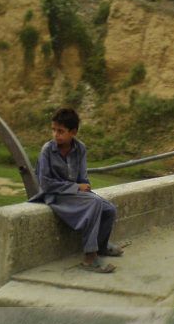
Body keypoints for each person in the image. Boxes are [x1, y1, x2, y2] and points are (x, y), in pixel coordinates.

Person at [29, 108, 123, 273]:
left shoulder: (80, 149)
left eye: (61, 131)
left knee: (109, 209)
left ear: (73, 132)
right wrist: (75, 187)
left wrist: (84, 188)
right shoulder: (47, 150)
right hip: (54, 195)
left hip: (74, 194)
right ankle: (90, 258)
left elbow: (82, 177)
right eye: (54, 130)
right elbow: (45, 183)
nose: (56, 135)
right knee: (94, 203)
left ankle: (101, 246)